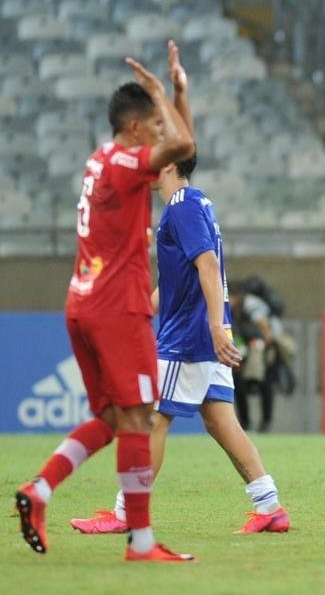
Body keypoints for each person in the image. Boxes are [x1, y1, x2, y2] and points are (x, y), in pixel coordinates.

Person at [15, 42, 196, 562]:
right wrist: (164, 90)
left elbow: (182, 150)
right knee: (139, 418)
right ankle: (141, 541)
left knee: (114, 419)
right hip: (119, 308)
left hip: (83, 303)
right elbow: (184, 147)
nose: (162, 131)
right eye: (155, 124)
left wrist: (177, 94)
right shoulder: (126, 164)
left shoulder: (101, 159)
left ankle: (40, 489)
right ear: (135, 128)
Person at [69, 154, 291, 537]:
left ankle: (126, 513)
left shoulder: (182, 206)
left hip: (189, 335)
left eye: (155, 158)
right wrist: (141, 313)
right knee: (220, 420)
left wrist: (214, 326)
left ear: (170, 166)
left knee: (152, 419)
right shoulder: (197, 201)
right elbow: (178, 279)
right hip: (205, 330)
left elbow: (208, 265)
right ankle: (269, 506)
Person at [230, 283, 279, 432]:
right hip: (245, 350)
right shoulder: (234, 309)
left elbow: (264, 326)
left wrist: (265, 348)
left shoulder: (250, 303)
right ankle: (245, 422)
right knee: (239, 384)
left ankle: (266, 422)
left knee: (264, 385)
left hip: (260, 349)